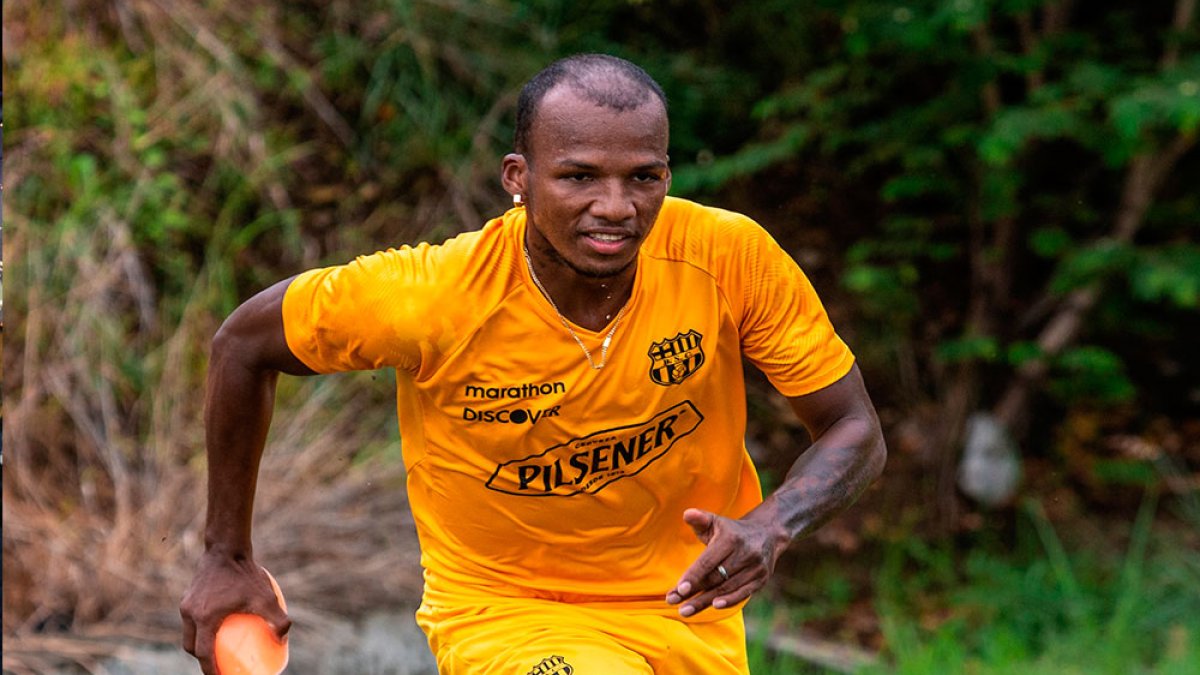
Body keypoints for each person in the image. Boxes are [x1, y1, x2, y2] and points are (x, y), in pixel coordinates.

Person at [180, 53, 886, 674]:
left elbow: (852, 428)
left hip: (688, 608)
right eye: (579, 176)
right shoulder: (434, 295)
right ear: (519, 177)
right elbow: (243, 344)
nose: (616, 207)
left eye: (643, 177)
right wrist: (226, 556)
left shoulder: (729, 257)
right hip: (506, 612)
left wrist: (770, 526)